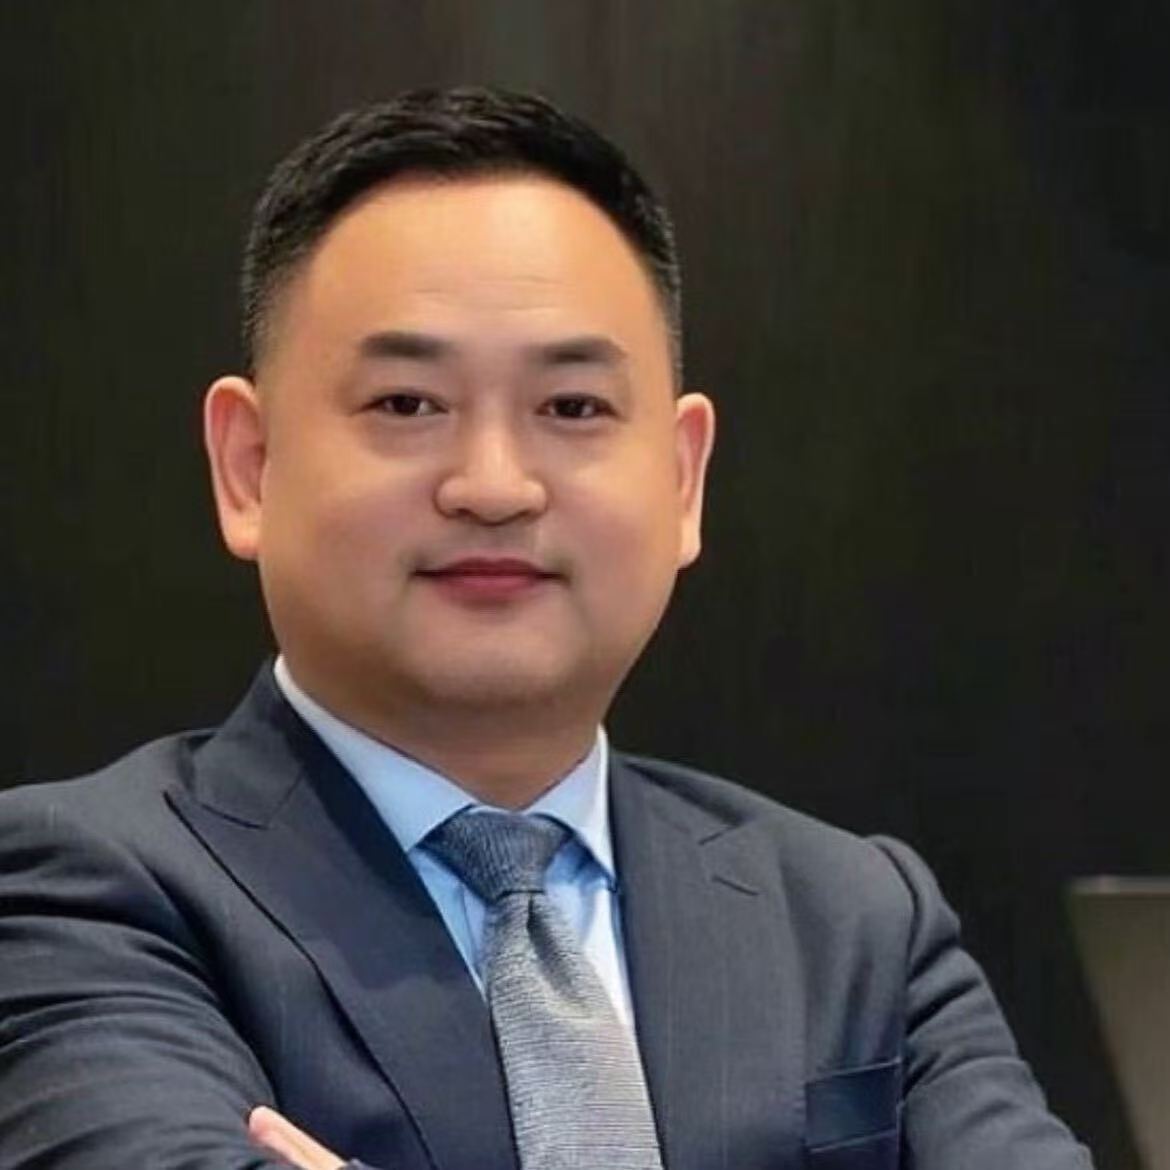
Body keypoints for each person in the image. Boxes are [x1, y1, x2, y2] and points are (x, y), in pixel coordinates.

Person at [0, 87, 1092, 1170]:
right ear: (249, 466)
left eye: (572, 408)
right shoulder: (83, 892)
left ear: (682, 480)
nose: (495, 485)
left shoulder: (856, 922)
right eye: (407, 404)